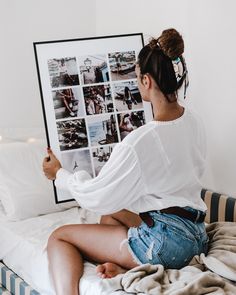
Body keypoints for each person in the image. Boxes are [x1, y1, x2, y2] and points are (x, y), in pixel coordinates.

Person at [43, 28, 208, 295]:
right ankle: (128, 265)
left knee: (59, 237)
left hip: (167, 243)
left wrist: (59, 173)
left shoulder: (140, 142)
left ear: (146, 80)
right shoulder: (194, 120)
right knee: (111, 214)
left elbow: (94, 196)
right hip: (196, 234)